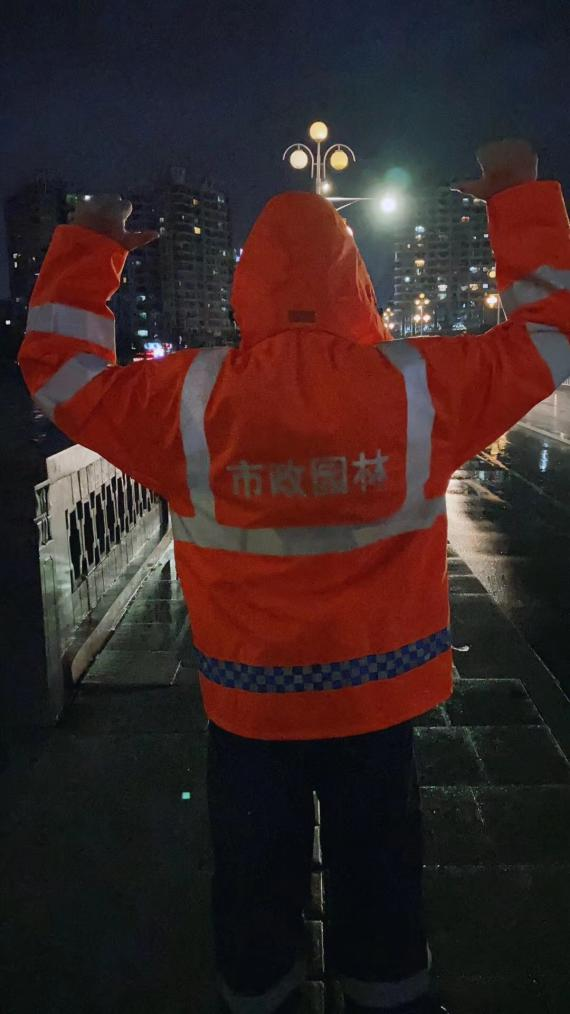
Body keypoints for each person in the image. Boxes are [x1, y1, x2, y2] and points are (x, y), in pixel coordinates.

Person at [19, 140, 570, 1014]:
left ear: (248, 289)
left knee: (253, 884)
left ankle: (261, 996)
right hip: (378, 704)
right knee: (382, 880)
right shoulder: (418, 387)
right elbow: (549, 336)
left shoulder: (190, 399)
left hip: (250, 711)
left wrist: (90, 243)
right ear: (357, 283)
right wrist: (518, 198)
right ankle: (390, 995)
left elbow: (61, 373)